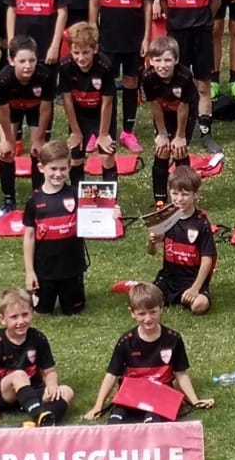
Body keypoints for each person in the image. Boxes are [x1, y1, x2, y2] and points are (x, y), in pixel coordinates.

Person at [84, 282, 213, 422]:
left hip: (160, 393)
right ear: (132, 313)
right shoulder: (126, 341)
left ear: (161, 309)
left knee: (153, 424)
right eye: (141, 313)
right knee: (116, 423)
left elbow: (181, 374)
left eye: (153, 312)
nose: (148, 318)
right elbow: (112, 375)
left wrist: (195, 401)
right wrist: (98, 406)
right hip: (131, 394)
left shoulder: (173, 339)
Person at [88, 0, 151, 152]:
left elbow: (146, 4)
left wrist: (146, 37)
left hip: (133, 38)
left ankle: (128, 131)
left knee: (131, 81)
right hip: (108, 38)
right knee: (106, 84)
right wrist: (93, 30)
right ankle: (103, 131)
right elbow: (94, 2)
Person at [157, 0, 220, 155]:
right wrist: (175, 18)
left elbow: (215, 0)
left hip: (201, 33)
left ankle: (205, 130)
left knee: (203, 83)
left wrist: (203, 18)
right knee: (177, 83)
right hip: (177, 34)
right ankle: (174, 128)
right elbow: (163, 1)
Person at [0, 288, 74, 427]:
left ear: (32, 314)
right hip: (5, 394)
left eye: (25, 314)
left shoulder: (38, 338)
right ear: (3, 320)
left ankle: (42, 423)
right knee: (19, 375)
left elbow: (49, 371)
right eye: (14, 317)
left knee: (66, 391)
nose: (21, 321)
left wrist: (52, 385)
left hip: (32, 392)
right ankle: (38, 414)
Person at [0, 35, 56, 220]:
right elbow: (3, 113)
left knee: (39, 151)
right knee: (6, 153)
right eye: (22, 61)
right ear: (11, 60)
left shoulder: (45, 76)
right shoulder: (3, 79)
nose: (27, 65)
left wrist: (39, 138)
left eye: (32, 60)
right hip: (13, 111)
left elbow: (45, 110)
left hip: (36, 111)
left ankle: (38, 196)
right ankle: (9, 200)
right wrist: (8, 141)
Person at [22, 142, 87, 316]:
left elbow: (96, 217)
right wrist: (30, 272)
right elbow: (29, 236)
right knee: (42, 311)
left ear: (69, 168)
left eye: (63, 169)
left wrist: (110, 214)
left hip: (72, 268)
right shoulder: (34, 201)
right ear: (41, 168)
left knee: (74, 311)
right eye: (53, 169)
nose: (58, 174)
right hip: (45, 270)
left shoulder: (76, 194)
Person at [148, 166, 215, 315]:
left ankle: (189, 296)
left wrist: (195, 288)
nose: (179, 199)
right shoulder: (165, 217)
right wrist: (152, 242)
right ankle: (164, 295)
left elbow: (207, 260)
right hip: (168, 278)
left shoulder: (201, 223)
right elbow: (152, 252)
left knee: (200, 305)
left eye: (185, 194)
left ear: (195, 195)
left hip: (192, 279)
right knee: (146, 299)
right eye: (174, 193)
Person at [140, 37, 196, 205]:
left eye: (167, 60)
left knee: (180, 151)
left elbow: (184, 107)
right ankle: (160, 200)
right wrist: (162, 133)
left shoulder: (185, 76)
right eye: (157, 60)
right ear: (150, 61)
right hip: (164, 112)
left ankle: (185, 195)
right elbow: (155, 104)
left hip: (185, 113)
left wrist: (180, 136)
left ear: (176, 60)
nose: (162, 65)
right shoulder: (148, 77)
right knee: (162, 149)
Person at [58, 21, 116, 185]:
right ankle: (77, 200)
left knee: (107, 156)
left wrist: (103, 134)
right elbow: (67, 101)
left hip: (101, 112)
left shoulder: (105, 66)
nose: (80, 58)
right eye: (76, 52)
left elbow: (108, 102)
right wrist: (76, 131)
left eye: (86, 52)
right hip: (79, 114)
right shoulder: (65, 66)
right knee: (76, 156)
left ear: (95, 49)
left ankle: (112, 203)